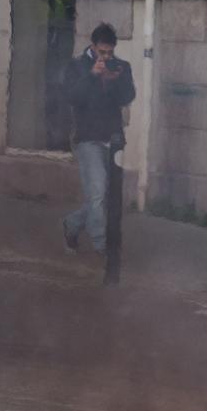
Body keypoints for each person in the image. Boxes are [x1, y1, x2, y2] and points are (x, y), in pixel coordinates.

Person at [62, 23, 136, 255]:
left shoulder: (122, 66)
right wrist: (93, 76)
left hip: (113, 138)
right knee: (96, 192)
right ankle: (101, 244)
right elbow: (72, 96)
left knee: (106, 196)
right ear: (93, 47)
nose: (106, 56)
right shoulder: (77, 66)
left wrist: (113, 79)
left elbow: (128, 96)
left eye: (109, 52)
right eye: (102, 52)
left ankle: (72, 224)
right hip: (87, 138)